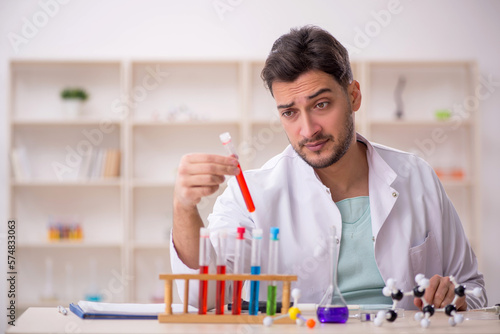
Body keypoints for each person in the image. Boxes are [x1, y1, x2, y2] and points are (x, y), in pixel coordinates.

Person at [170, 25, 487, 311]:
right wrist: (184, 207)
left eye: (321, 105)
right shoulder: (251, 194)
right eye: (290, 113)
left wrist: (455, 298)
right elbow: (201, 296)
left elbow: (472, 288)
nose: (308, 130)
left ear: (353, 95)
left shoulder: (416, 177)